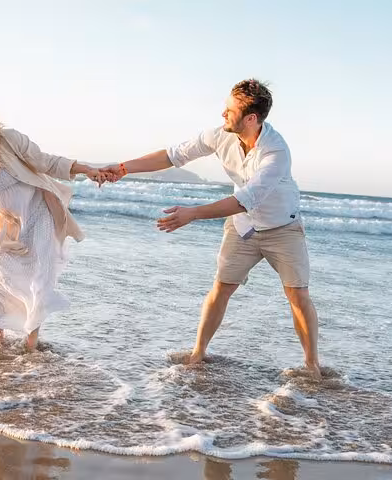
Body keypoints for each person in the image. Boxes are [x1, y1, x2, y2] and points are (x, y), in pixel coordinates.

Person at [100, 79, 321, 378]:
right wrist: (125, 168)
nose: (223, 115)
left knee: (297, 295)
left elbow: (246, 199)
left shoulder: (276, 152)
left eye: (230, 110)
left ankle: (312, 367)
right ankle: (198, 353)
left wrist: (193, 214)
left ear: (251, 119)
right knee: (221, 288)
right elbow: (171, 155)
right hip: (243, 228)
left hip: (283, 228)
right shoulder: (219, 136)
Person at [0, 95, 104, 350]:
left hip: (38, 212)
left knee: (40, 276)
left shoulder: (9, 139)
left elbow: (46, 161)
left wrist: (88, 169)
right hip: (1, 226)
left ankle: (30, 348)